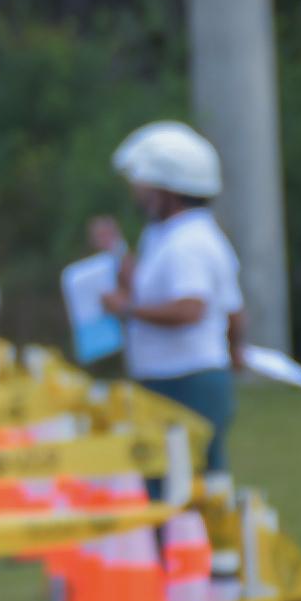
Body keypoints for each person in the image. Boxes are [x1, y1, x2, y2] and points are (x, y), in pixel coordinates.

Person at [99, 125, 244, 474]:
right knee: (177, 481)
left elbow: (190, 308)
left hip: (185, 380)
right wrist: (117, 252)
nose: (138, 192)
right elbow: (233, 313)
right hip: (178, 375)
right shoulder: (168, 235)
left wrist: (127, 310)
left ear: (169, 190)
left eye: (145, 185)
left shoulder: (187, 243)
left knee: (183, 483)